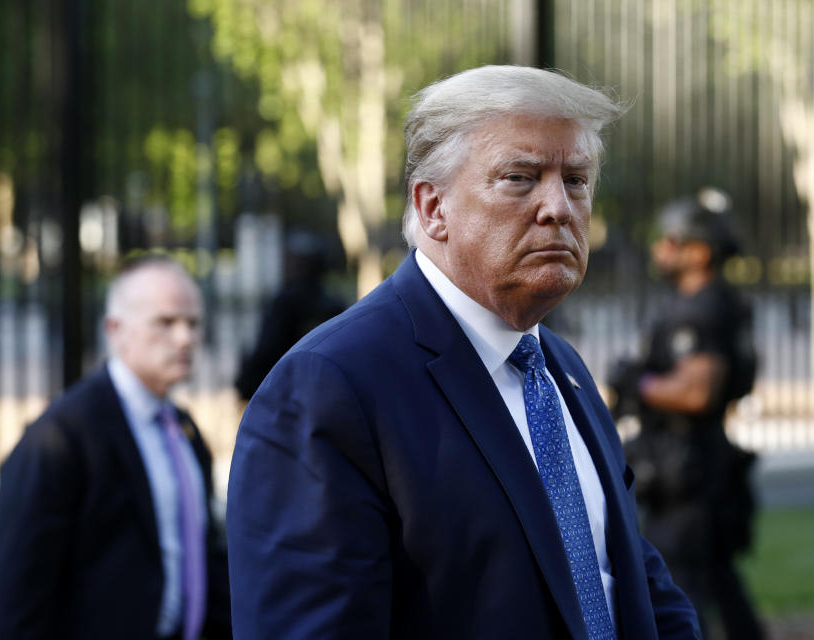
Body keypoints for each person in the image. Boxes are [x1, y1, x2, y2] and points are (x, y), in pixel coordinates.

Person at [227, 65, 700, 639]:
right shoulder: (328, 388)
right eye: (520, 178)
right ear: (432, 208)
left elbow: (626, 579)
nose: (557, 206)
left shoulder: (558, 367)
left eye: (576, 180)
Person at [0, 255, 232, 640]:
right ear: (115, 330)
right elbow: (14, 590)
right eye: (165, 323)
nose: (185, 338)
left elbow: (198, 554)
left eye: (193, 323)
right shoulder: (62, 436)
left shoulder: (183, 429)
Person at [608, 190, 765, 639]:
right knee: (718, 576)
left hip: (686, 467)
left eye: (671, 241)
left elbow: (697, 392)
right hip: (705, 459)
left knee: (679, 585)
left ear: (698, 252)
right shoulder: (719, 300)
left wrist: (638, 384)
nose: (661, 249)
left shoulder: (701, 308)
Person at [233, 230, 345, 400]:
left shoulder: (285, 303)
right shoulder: (335, 306)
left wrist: (245, 384)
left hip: (286, 397)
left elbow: (267, 351)